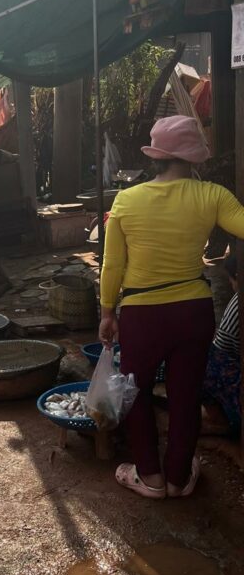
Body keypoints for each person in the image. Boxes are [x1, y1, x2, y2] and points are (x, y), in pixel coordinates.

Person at [99, 115, 244, 499]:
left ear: (157, 157)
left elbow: (112, 265)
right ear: (194, 157)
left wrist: (107, 313)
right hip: (193, 313)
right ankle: (179, 478)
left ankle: (150, 477)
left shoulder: (126, 200)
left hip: (141, 317)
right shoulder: (213, 196)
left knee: (136, 392)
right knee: (185, 395)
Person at [202, 253, 240, 436]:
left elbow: (221, 350)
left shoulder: (237, 306)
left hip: (231, 368)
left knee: (202, 367)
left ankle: (224, 422)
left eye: (231, 280)